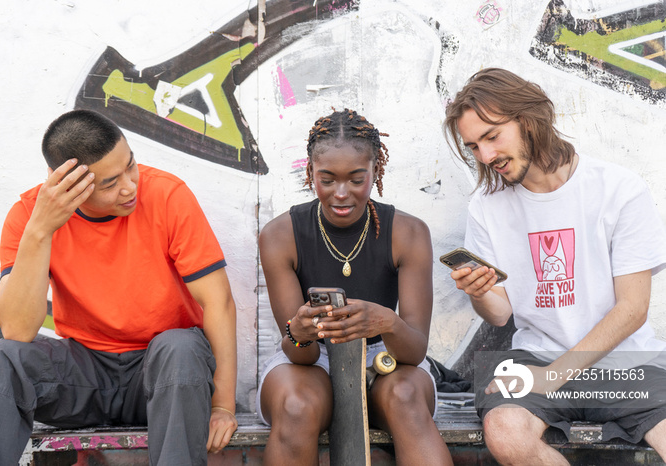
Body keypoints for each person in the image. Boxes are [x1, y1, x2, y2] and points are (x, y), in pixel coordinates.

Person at [0, 109, 238, 465]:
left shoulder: (167, 195)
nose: (129, 185)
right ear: (63, 180)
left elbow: (219, 302)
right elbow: (17, 330)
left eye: (131, 165)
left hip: (163, 376)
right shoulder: (28, 217)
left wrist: (222, 405)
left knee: (181, 345)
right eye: (109, 182)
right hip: (84, 376)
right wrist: (40, 231)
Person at [444, 67, 666, 464]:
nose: (486, 156)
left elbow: (632, 310)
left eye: (492, 136)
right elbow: (500, 313)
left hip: (626, 360)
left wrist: (556, 375)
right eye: (474, 146)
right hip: (535, 357)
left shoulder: (617, 189)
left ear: (529, 119)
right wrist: (479, 293)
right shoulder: (486, 207)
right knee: (506, 432)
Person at [257, 108, 454, 465]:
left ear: (376, 171)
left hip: (386, 361)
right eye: (327, 179)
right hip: (310, 366)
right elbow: (301, 353)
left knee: (407, 397)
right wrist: (301, 331)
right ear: (310, 172)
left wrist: (387, 323)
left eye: (356, 179)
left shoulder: (407, 233)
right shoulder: (279, 235)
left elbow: (414, 352)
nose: (341, 193)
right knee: (296, 406)